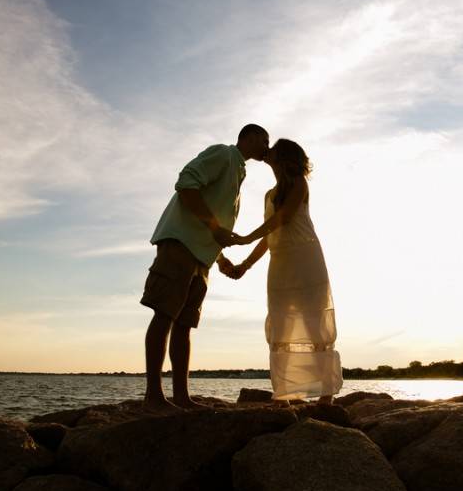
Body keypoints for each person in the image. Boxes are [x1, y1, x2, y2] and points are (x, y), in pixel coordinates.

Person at [140, 124, 269, 410]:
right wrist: (214, 228)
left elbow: (217, 222)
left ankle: (182, 397)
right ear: (247, 137)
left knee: (184, 325)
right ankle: (153, 397)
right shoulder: (223, 154)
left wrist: (220, 258)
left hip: (201, 257)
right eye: (263, 139)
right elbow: (186, 183)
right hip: (180, 244)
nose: (266, 145)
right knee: (164, 314)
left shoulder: (238, 170)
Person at [226, 138, 342, 405]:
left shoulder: (299, 184)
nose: (268, 151)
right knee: (281, 326)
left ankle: (326, 395)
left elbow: (283, 219)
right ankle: (285, 393)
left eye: (274, 148)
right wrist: (244, 265)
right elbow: (270, 235)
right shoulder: (269, 194)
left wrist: (243, 238)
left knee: (315, 327)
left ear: (284, 157)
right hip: (280, 263)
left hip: (305, 257)